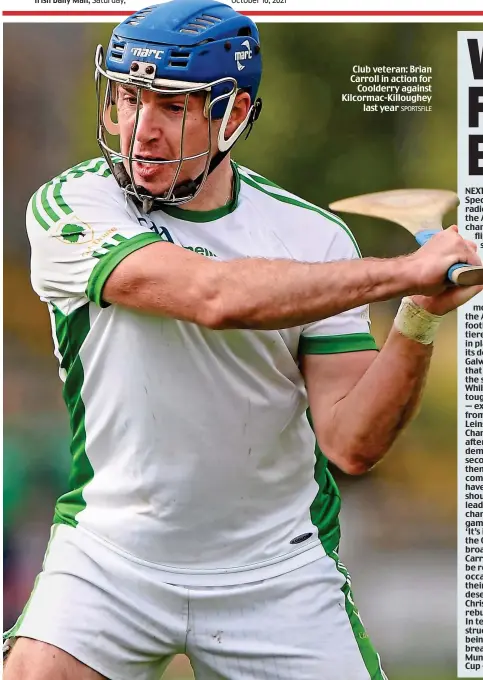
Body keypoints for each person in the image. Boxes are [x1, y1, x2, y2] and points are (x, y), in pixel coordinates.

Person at [4, 1, 482, 679]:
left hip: (276, 571)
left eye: (171, 107)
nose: (140, 130)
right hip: (112, 557)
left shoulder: (313, 238)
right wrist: (399, 269)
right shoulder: (75, 205)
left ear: (231, 115)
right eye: (127, 98)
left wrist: (417, 312)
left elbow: (351, 441)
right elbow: (214, 296)